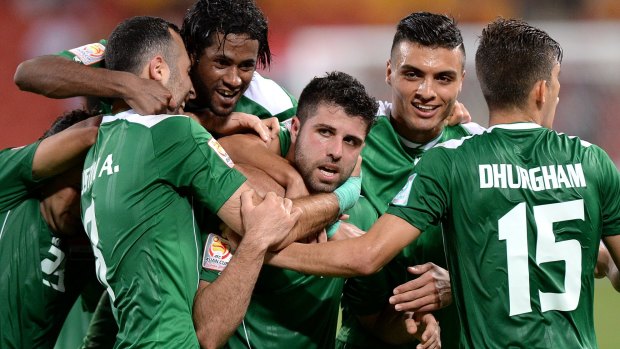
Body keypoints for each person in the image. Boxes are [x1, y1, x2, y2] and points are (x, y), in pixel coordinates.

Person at [267, 18, 620, 348]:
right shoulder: (349, 129)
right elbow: (252, 151)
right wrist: (322, 219)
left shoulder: (476, 150)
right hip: (365, 332)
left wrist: (462, 282)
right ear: (389, 72)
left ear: (463, 82)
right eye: (413, 74)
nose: (427, 92)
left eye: (443, 78)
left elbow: (535, 243)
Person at [81, 16, 355, 349]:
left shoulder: (96, 153)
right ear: (158, 70)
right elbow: (265, 221)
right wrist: (345, 194)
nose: (192, 87)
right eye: (184, 72)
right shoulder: (173, 132)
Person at [193, 71, 439, 349]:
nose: (336, 151)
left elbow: (375, 320)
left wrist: (412, 327)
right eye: (325, 132)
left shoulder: (361, 218)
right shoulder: (247, 197)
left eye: (351, 141)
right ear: (295, 128)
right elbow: (208, 334)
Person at [14, 0, 295, 141]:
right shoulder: (135, 56)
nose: (235, 80)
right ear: (192, 52)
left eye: (246, 66)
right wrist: (127, 85)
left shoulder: (267, 99)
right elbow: (30, 73)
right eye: (220, 63)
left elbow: (323, 142)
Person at [0, 108, 101, 348]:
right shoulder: (10, 190)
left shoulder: (90, 241)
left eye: (90, 197)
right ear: (51, 172)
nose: (81, 206)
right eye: (76, 188)